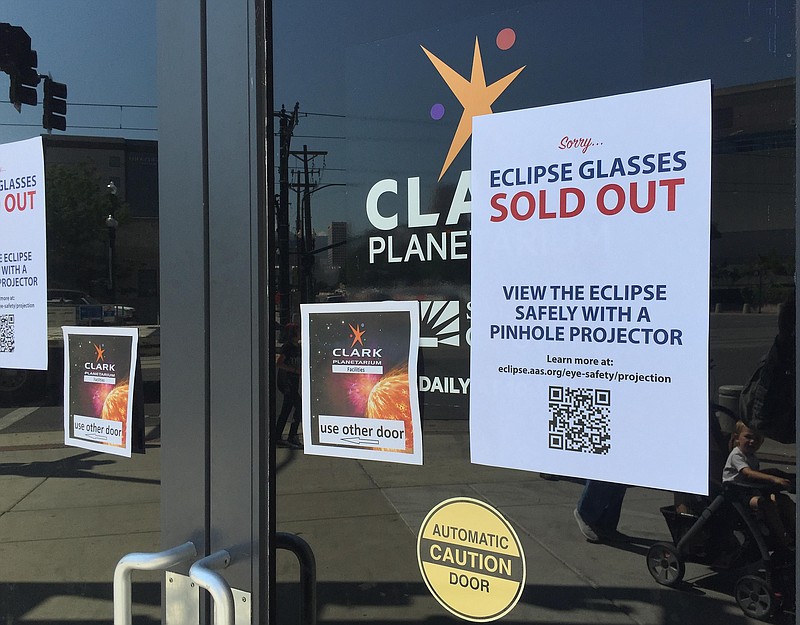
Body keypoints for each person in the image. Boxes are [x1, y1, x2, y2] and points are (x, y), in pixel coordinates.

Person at [722, 420, 795, 551]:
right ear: (737, 437)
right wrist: (774, 479)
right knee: (766, 504)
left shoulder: (752, 457)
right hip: (736, 494)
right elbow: (748, 473)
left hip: (750, 490)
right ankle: (783, 538)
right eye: (748, 437)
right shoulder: (736, 455)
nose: (752, 442)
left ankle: (793, 530)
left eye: (757, 439)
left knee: (784, 500)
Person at [275, 323, 302, 448]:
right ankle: (292, 436)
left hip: (294, 382)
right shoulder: (288, 347)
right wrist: (294, 370)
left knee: (286, 410)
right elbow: (279, 363)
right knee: (298, 407)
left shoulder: (298, 346)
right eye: (297, 330)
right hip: (288, 382)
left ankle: (278, 436)